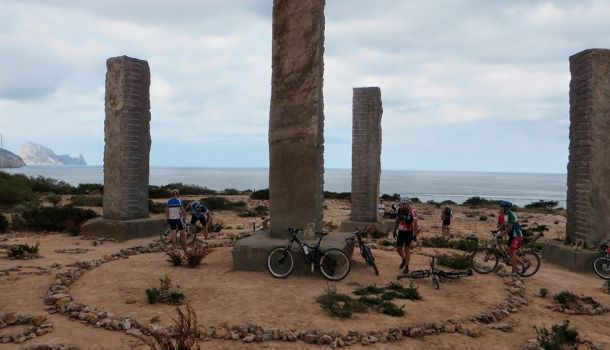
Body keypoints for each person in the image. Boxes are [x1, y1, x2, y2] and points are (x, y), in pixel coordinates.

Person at [499, 200, 529, 276]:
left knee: (511, 253)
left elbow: (509, 227)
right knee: (510, 253)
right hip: (512, 236)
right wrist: (497, 230)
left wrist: (502, 234)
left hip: (517, 236)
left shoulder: (511, 215)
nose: (500, 209)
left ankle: (514, 272)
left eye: (502, 208)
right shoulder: (506, 215)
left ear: (506, 208)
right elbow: (504, 224)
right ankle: (524, 264)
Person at [393, 195, 418, 274]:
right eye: (402, 203)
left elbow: (415, 223)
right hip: (401, 231)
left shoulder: (413, 211)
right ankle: (404, 259)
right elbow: (397, 220)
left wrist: (415, 234)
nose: (403, 205)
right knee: (398, 248)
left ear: (409, 204)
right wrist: (394, 230)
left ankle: (407, 266)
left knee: (407, 248)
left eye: (405, 203)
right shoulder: (399, 210)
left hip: (409, 232)